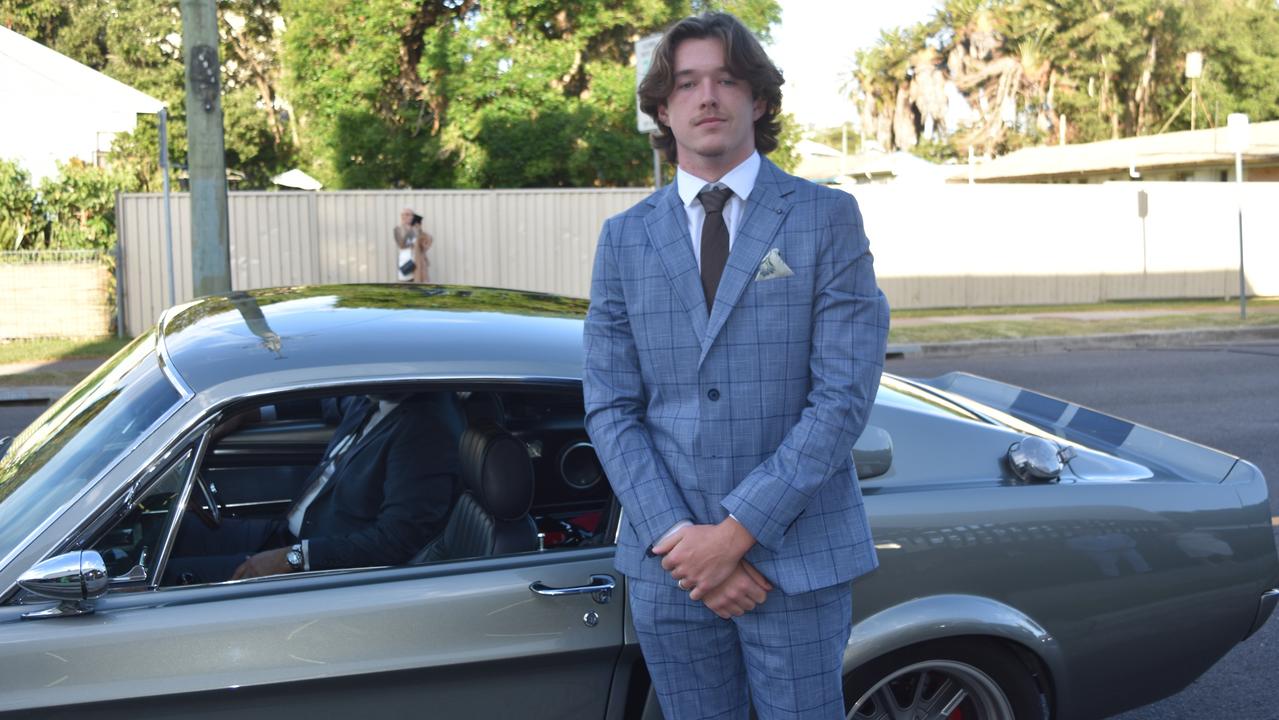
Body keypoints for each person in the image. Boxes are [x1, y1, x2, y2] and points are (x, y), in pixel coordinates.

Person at [582, 12, 889, 720]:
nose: (707, 96)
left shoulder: (825, 218)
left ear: (758, 98)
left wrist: (734, 536)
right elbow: (609, 405)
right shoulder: (623, 239)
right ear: (663, 108)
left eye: (726, 78)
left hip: (796, 558)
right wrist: (681, 542)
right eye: (686, 83)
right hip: (672, 569)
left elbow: (841, 398)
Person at [166, 393, 460, 584]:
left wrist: (293, 559)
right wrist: (248, 414)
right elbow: (323, 401)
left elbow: (396, 541)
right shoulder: (372, 396)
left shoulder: (426, 430)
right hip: (285, 535)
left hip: (317, 569)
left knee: (166, 578)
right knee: (171, 533)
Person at [393, 208, 434, 282]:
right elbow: (402, 244)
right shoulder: (398, 229)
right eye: (407, 214)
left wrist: (420, 230)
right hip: (407, 262)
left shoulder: (417, 229)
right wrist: (412, 231)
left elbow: (426, 243)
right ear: (402, 216)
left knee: (420, 284)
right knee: (407, 284)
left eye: (412, 215)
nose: (410, 217)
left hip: (419, 262)